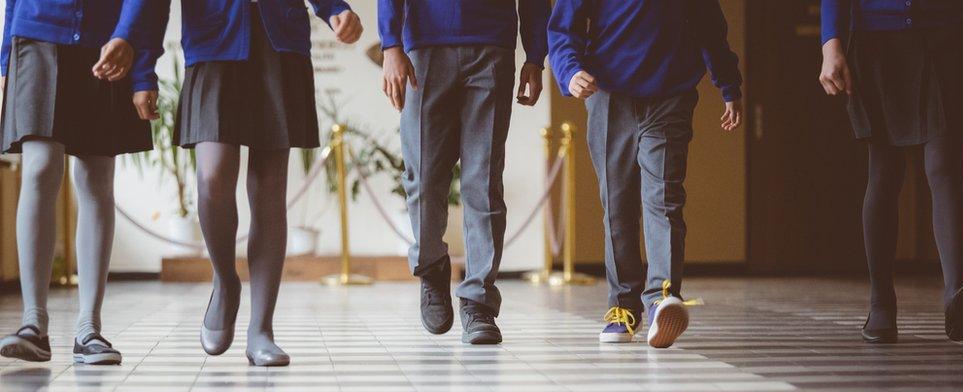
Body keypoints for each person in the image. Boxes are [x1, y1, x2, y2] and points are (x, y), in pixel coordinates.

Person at [144, 0, 363, 366]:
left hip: (280, 42)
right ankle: (225, 281)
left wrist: (333, 7)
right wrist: (141, 67)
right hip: (214, 39)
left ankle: (261, 329)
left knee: (269, 191)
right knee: (212, 176)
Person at [548, 0, 744, 348]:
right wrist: (568, 70)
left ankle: (661, 299)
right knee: (618, 205)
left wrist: (728, 85)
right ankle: (623, 308)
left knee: (664, 198)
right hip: (608, 94)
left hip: (670, 94)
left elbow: (709, 24)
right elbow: (564, 27)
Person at [379, 0, 551, 345]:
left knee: (483, 181)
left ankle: (478, 300)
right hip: (425, 51)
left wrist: (535, 56)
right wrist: (391, 44)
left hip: (492, 48)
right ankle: (432, 268)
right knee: (423, 178)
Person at [0, 0, 159, 365]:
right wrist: (6, 58)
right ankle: (33, 323)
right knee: (40, 165)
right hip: (35, 35)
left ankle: (89, 327)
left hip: (109, 41)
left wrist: (138, 57)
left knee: (96, 178)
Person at [819, 0, 963, 343]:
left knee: (945, 162)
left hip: (947, 34)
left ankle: (956, 294)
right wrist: (830, 41)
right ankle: (881, 305)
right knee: (885, 169)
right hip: (878, 41)